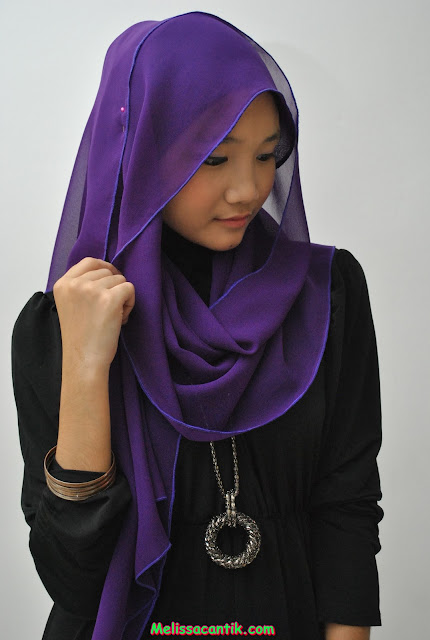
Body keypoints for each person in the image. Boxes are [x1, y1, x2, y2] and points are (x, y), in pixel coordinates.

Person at [11, 11, 384, 640]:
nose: (248, 189)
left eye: (267, 155)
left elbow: (346, 506)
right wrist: (86, 365)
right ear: (139, 151)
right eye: (214, 158)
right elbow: (72, 577)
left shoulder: (327, 294)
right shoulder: (63, 323)